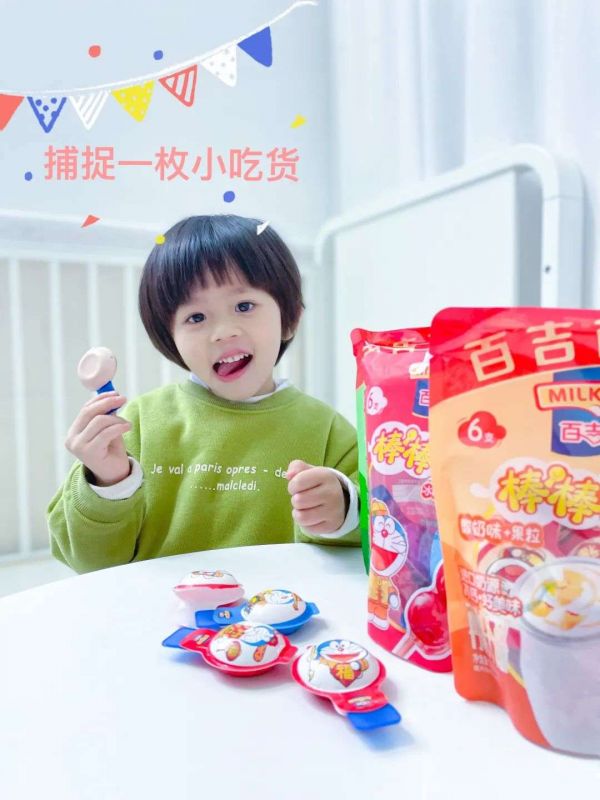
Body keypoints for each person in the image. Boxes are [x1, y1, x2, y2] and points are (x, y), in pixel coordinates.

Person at [48, 215, 360, 573]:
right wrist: (108, 484)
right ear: (171, 339)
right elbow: (87, 562)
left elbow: (387, 529)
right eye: (196, 317)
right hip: (158, 606)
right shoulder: (135, 426)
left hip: (281, 606)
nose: (223, 332)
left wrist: (345, 511)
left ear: (289, 319)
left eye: (244, 306)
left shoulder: (328, 430)